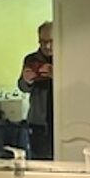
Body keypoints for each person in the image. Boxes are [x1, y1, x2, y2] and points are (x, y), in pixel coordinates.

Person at [17, 21, 53, 159]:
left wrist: (58, 76)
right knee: (39, 161)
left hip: (64, 120)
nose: (47, 46)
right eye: (42, 42)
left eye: (51, 41)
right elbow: (22, 87)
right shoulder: (31, 59)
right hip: (38, 122)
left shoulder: (66, 58)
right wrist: (27, 80)